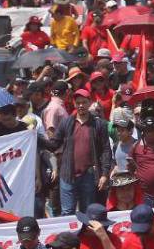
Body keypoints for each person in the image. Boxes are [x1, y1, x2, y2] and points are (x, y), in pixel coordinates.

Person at [47, 87, 113, 215]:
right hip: (67, 174)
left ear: (89, 102)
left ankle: (85, 235)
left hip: (88, 175)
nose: (81, 105)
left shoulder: (98, 124)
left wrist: (105, 174)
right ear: (74, 104)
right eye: (78, 103)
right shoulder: (66, 123)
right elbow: (54, 145)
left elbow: (106, 150)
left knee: (88, 211)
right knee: (67, 212)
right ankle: (69, 235)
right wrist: (37, 138)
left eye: (84, 102)